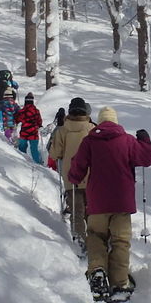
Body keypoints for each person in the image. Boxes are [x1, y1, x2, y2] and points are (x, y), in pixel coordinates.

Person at [68, 106, 151, 301]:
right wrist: (145, 140)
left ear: (100, 121)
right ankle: (120, 283)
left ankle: (98, 270)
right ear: (115, 122)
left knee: (96, 237)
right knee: (120, 241)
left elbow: (77, 170)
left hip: (97, 201)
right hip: (122, 201)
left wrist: (73, 177)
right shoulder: (128, 141)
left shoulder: (89, 141)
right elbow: (147, 159)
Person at [49, 97, 95, 251]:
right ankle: (96, 242)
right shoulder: (92, 129)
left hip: (71, 177)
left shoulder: (62, 130)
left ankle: (80, 242)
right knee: (92, 210)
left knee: (76, 211)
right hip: (91, 176)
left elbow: (55, 154)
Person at [13, 93, 44, 163]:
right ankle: (38, 164)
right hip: (34, 133)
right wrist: (39, 126)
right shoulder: (36, 111)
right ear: (32, 101)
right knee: (34, 150)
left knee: (22, 149)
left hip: (24, 132)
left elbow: (17, 120)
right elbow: (39, 122)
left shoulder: (22, 111)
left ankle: (23, 163)